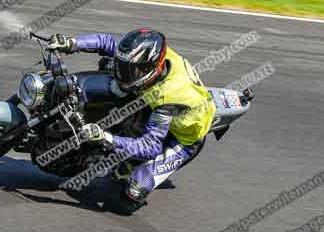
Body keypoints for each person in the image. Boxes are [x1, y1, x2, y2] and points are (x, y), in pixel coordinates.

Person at [48, 29, 216, 213]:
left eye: (131, 71)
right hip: (155, 101)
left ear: (152, 69)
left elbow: (150, 146)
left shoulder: (167, 98)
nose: (123, 73)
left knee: (131, 194)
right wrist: (72, 43)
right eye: (123, 66)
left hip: (183, 138)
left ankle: (128, 169)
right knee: (108, 77)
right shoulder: (148, 56)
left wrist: (107, 138)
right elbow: (107, 43)